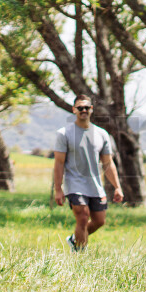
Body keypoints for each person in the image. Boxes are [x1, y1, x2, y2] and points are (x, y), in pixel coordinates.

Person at [53, 94, 123, 252]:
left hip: (95, 184)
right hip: (74, 183)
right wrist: (58, 189)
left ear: (91, 109)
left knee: (99, 221)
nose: (83, 110)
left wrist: (117, 187)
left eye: (86, 107)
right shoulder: (64, 133)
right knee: (83, 217)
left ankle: (74, 239)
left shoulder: (102, 134)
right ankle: (79, 255)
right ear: (74, 110)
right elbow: (58, 163)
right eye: (80, 108)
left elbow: (108, 162)